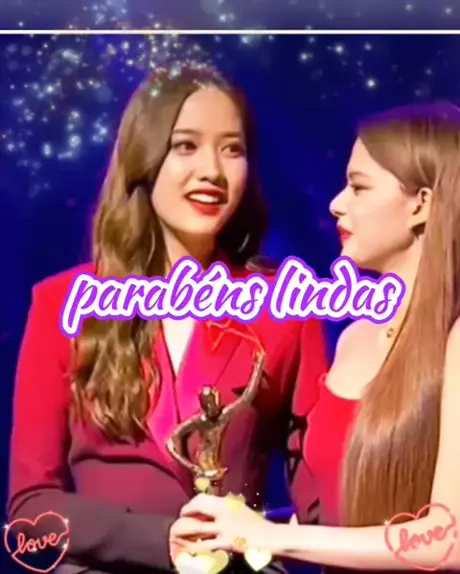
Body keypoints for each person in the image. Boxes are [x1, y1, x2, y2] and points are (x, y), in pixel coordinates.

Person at [7, 63, 328, 574]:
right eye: (186, 146)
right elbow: (30, 513)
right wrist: (159, 540)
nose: (212, 170)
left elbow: (318, 490)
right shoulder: (61, 303)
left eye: (232, 149)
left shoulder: (283, 305)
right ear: (144, 158)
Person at [171, 101, 460, 572]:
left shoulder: (455, 341)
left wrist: (269, 536)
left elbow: (448, 540)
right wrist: (236, 530)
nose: (336, 203)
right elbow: (335, 517)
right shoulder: (352, 339)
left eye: (359, 187)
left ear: (421, 204)